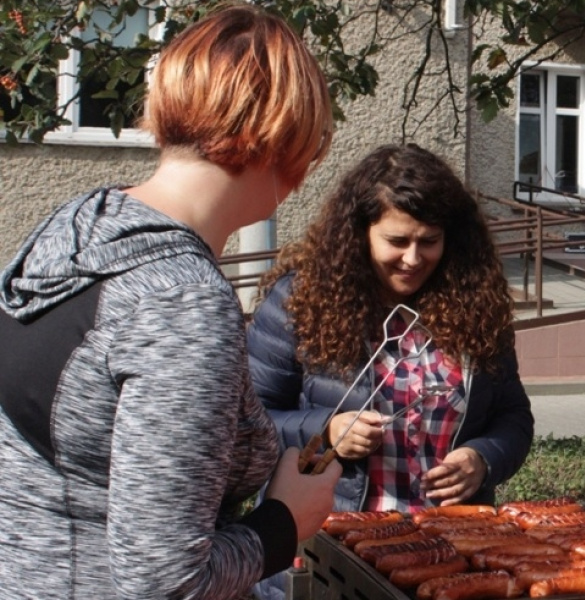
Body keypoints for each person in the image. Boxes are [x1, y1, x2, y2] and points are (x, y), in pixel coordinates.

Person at [0, 5, 342, 598]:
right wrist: (285, 523)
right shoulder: (181, 300)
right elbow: (164, 582)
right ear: (279, 139)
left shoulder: (78, 231)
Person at [248, 143, 533, 514]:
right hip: (334, 539)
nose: (413, 259)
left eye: (429, 241)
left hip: (450, 542)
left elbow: (513, 416)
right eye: (397, 241)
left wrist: (484, 459)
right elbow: (249, 421)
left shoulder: (476, 304)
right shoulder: (299, 301)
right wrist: (327, 431)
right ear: (359, 235)